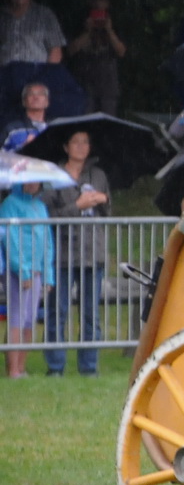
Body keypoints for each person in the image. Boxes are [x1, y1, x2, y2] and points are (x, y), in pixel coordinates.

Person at [42, 130, 108, 376]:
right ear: (66, 147)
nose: (81, 146)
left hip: (94, 252)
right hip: (62, 253)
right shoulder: (53, 177)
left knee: (91, 314)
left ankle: (89, 367)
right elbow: (47, 214)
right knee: (57, 311)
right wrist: (76, 207)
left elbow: (108, 212)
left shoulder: (98, 175)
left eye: (85, 142)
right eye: (76, 142)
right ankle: (56, 367)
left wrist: (103, 198)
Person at [3, 180, 54, 378]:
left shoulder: (40, 206)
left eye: (37, 182)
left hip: (37, 271)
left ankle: (21, 368)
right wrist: (22, 269)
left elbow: (47, 240)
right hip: (18, 271)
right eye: (28, 182)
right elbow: (10, 238)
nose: (33, 185)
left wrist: (47, 273)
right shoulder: (10, 204)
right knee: (17, 317)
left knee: (29, 320)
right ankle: (13, 369)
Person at [65, 0, 126, 115]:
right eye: (96, 11)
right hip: (84, 83)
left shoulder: (115, 25)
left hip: (108, 85)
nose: (99, 16)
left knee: (107, 122)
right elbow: (70, 50)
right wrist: (88, 31)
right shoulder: (79, 23)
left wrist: (109, 30)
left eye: (102, 12)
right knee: (86, 120)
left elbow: (121, 51)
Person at [0, 0, 66, 67]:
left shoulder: (45, 15)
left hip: (35, 74)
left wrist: (44, 77)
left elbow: (55, 52)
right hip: (5, 76)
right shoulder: (2, 15)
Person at [2, 82, 51, 151]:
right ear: (24, 102)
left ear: (47, 102)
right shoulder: (12, 128)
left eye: (41, 94)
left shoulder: (53, 127)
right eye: (30, 94)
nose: (36, 97)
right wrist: (24, 147)